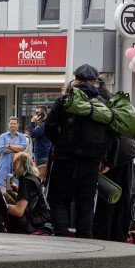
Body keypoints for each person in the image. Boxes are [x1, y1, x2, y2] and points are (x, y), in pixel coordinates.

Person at [45, 64, 116, 240]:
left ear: (75, 80)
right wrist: (106, 160)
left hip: (64, 160)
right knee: (85, 206)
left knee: (58, 201)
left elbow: (49, 128)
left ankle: (62, 237)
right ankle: (85, 241)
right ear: (95, 82)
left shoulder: (64, 101)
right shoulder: (103, 104)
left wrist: (61, 144)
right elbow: (113, 135)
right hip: (91, 163)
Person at [93, 135, 135, 242]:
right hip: (127, 151)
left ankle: (103, 238)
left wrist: (108, 162)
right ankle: (119, 238)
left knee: (106, 201)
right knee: (122, 200)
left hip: (110, 154)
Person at [5, 152, 50, 234]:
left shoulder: (26, 182)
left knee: (3, 197)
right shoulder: (32, 178)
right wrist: (18, 189)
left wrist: (0, 204)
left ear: (18, 164)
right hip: (41, 218)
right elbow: (31, 196)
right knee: (9, 194)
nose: (12, 166)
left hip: (33, 222)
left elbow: (19, 211)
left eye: (14, 162)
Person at [0, 117, 28, 188]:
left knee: (15, 184)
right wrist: (16, 149)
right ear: (8, 124)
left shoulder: (22, 136)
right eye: (11, 123)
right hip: (5, 162)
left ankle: (13, 198)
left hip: (17, 162)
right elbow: (1, 149)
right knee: (3, 185)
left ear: (17, 125)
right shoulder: (3, 136)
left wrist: (9, 146)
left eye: (14, 123)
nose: (13, 125)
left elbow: (22, 148)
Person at [27, 107, 52, 181]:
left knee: (40, 178)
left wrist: (32, 122)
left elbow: (33, 134)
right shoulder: (43, 124)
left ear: (43, 114)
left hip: (43, 155)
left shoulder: (44, 124)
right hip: (42, 155)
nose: (35, 115)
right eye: (35, 113)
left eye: (37, 113)